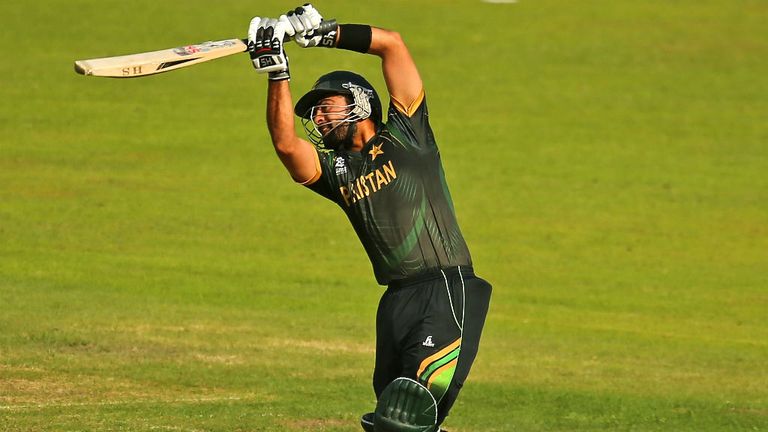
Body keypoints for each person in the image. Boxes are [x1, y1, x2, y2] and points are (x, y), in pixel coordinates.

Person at [247, 5, 492, 432]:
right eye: (314, 113)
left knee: (407, 416)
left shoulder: (407, 133)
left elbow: (391, 45)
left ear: (360, 102)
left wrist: (325, 35)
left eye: (325, 105)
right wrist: (277, 72)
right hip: (395, 302)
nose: (318, 117)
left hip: (445, 290)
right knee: (392, 421)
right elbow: (287, 145)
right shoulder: (337, 173)